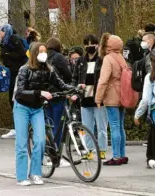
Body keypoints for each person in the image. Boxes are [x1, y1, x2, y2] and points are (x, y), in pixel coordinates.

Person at [13, 42, 74, 186]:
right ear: (34, 53)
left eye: (45, 51)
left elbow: (61, 84)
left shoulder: (49, 70)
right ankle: (22, 176)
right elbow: (19, 93)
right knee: (21, 143)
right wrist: (39, 93)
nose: (43, 54)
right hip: (22, 107)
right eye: (40, 51)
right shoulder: (24, 69)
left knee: (40, 141)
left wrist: (74, 90)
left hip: (37, 108)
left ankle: (35, 173)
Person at [71, 34, 107, 160]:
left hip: (99, 99)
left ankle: (102, 149)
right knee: (87, 127)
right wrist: (75, 91)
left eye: (93, 43)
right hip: (85, 98)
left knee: (101, 127)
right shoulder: (80, 61)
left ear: (97, 45)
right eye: (87, 44)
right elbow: (74, 77)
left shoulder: (102, 59)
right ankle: (89, 150)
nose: (90, 46)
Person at [95, 34, 128, 166]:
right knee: (120, 126)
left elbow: (103, 80)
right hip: (123, 95)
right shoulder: (121, 58)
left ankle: (116, 156)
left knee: (114, 126)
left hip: (112, 95)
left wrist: (98, 98)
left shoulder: (108, 58)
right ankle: (122, 154)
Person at [0, 24, 27, 108]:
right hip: (11, 71)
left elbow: (22, 53)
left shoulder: (13, 38)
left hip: (17, 71)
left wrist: (7, 55)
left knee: (14, 95)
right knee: (11, 94)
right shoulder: (4, 42)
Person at [45, 37, 72, 149]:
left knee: (48, 124)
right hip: (58, 93)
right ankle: (57, 149)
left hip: (45, 94)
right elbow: (68, 74)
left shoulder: (43, 57)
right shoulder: (59, 57)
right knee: (58, 124)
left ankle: (49, 149)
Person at [134, 51, 155, 168]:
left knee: (153, 133)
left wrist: (137, 114)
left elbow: (146, 99)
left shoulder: (150, 77)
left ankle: (151, 158)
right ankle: (150, 157)